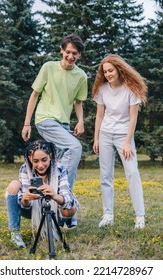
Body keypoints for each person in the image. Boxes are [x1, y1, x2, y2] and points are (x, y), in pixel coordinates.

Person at [21, 34, 87, 227]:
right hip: (45, 120)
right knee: (75, 148)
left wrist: (81, 121)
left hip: (64, 125)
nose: (70, 56)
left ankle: (60, 211)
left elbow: (78, 101)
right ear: (61, 50)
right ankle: (67, 200)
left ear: (79, 55)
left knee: (56, 163)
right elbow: (34, 95)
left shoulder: (81, 76)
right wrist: (27, 123)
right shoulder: (48, 67)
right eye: (67, 52)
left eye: (74, 53)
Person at [92, 54, 147, 229]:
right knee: (105, 176)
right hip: (105, 134)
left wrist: (127, 142)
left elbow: (133, 119)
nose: (108, 74)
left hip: (124, 135)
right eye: (105, 71)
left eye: (111, 70)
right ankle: (108, 215)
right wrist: (96, 138)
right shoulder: (102, 89)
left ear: (119, 69)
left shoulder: (131, 89)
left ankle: (140, 216)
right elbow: (99, 115)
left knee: (132, 173)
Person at [6, 140, 78, 248]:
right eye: (35, 161)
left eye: (44, 160)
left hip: (55, 211)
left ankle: (53, 227)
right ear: (30, 159)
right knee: (13, 185)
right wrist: (26, 199)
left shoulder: (60, 168)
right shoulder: (25, 169)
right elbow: (24, 204)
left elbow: (67, 198)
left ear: (50, 156)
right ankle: (15, 232)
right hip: (32, 209)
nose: (40, 165)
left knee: (71, 207)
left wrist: (54, 195)